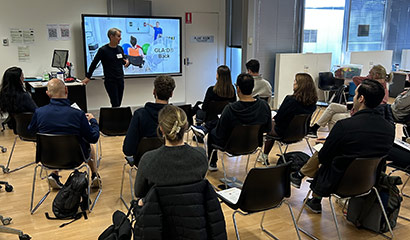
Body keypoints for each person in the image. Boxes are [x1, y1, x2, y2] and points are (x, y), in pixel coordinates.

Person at [290, 79, 395, 213]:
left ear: (361, 98)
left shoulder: (345, 126)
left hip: (340, 182)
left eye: (355, 95)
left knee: (324, 156)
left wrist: (328, 144)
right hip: (369, 182)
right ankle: (303, 180)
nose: (354, 98)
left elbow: (323, 157)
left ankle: (313, 196)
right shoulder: (389, 128)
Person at [28, 79, 101, 189]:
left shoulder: (39, 112)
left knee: (54, 145)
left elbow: (31, 132)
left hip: (48, 157)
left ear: (48, 94)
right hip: (75, 158)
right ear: (66, 90)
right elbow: (93, 137)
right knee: (89, 145)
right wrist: (93, 121)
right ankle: (95, 174)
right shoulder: (78, 114)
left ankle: (54, 173)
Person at [134, 105, 208, 199]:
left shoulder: (148, 160)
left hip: (159, 211)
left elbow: (139, 193)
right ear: (185, 126)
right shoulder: (200, 155)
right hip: (194, 210)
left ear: (161, 129)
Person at [204, 73, 272, 171]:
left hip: (230, 146)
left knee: (212, 133)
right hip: (253, 145)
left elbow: (220, 134)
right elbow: (267, 128)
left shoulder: (230, 109)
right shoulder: (264, 106)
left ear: (238, 88)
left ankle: (212, 163)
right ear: (252, 87)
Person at [309, 64, 393, 137]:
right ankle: (315, 128)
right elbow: (355, 78)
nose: (367, 75)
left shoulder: (379, 90)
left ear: (377, 75)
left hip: (361, 113)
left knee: (335, 117)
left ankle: (335, 139)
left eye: (370, 73)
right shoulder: (371, 84)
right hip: (356, 107)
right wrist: (369, 78)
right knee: (332, 106)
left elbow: (374, 107)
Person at [257, 73, 317, 164]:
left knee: (268, 123)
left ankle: (263, 155)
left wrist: (273, 118)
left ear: (301, 85)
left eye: (295, 82)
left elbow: (279, 119)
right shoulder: (312, 103)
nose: (293, 83)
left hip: (284, 132)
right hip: (301, 133)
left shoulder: (290, 100)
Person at [123, 75, 176, 160]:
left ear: (154, 92)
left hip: (144, 162)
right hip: (171, 161)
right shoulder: (176, 115)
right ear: (171, 94)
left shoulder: (139, 115)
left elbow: (128, 150)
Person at [82, 28, 130, 107]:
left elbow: (122, 61)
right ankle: (116, 119)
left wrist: (127, 62)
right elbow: (94, 63)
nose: (120, 38)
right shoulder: (103, 50)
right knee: (115, 103)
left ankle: (116, 118)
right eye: (118, 36)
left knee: (119, 102)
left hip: (120, 79)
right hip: (110, 81)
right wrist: (88, 77)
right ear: (111, 36)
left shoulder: (120, 48)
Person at [191, 65, 236, 135]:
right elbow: (233, 105)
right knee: (198, 103)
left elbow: (204, 108)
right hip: (224, 117)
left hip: (210, 117)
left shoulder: (211, 90)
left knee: (198, 107)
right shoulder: (232, 90)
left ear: (219, 76)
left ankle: (191, 124)